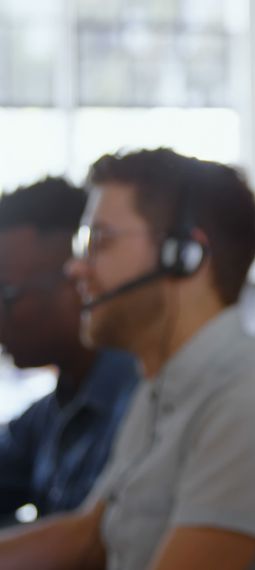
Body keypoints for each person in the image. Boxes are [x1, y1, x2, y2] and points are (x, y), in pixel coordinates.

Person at [0, 149, 255, 570]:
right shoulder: (161, 387)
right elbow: (90, 536)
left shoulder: (250, 398)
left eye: (98, 242)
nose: (76, 269)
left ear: (185, 254)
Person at [0, 177, 139, 526]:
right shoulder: (54, 409)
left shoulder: (136, 408)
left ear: (79, 281)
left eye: (8, 296)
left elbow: (92, 549)